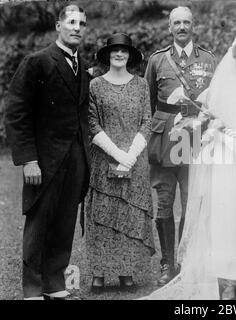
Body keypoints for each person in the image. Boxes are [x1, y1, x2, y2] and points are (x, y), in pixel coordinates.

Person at [139, 28, 236, 300]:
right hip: (225, 160)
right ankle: (228, 280)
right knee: (226, 218)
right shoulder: (223, 82)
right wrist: (219, 129)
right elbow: (213, 118)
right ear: (235, 51)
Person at [4, 5, 90, 300]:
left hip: (75, 159)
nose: (77, 27)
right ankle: (32, 289)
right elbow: (16, 112)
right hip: (44, 160)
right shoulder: (37, 61)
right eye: (72, 22)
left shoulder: (82, 66)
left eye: (82, 23)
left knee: (64, 222)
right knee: (39, 223)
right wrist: (28, 159)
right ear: (58, 26)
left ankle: (55, 284)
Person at [144, 6, 215, 286]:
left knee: (191, 201)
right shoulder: (157, 60)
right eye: (177, 23)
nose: (182, 27)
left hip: (195, 139)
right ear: (169, 27)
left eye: (186, 22)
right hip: (165, 139)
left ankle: (185, 260)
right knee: (163, 202)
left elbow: (214, 100)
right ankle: (166, 263)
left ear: (193, 25)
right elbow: (147, 102)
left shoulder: (208, 60)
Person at [85, 33, 155, 292]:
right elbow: (92, 123)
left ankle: (126, 271)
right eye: (114, 50)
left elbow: (147, 121)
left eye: (123, 51)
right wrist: (117, 154)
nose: (119, 54)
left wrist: (131, 155)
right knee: (103, 215)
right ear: (107, 54)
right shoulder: (95, 85)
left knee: (129, 215)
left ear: (130, 55)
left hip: (135, 160)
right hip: (105, 159)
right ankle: (99, 273)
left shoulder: (141, 85)